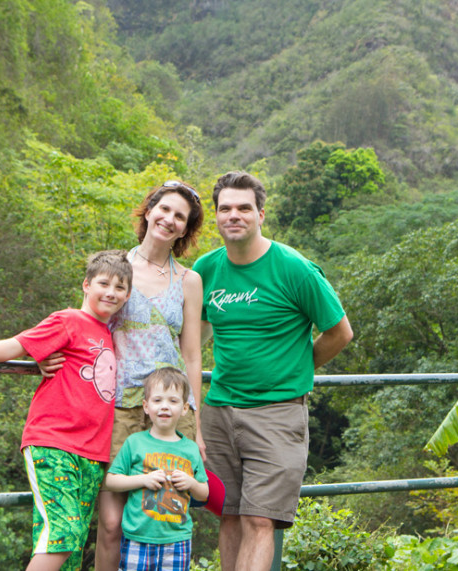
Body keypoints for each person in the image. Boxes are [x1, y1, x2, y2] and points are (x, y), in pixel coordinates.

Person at [0, 249, 133, 571]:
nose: (111, 292)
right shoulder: (68, 320)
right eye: (104, 283)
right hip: (54, 441)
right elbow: (17, 345)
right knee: (63, 534)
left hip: (92, 452)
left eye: (120, 287)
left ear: (128, 294)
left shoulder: (109, 334)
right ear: (86, 285)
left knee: (70, 550)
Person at [40, 180, 205, 571]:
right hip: (116, 406)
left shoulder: (189, 280)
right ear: (148, 211)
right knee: (111, 525)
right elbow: (86, 321)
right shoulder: (118, 269)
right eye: (163, 209)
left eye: (179, 216)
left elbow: (193, 355)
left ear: (185, 229)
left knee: (162, 515)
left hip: (169, 409)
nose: (169, 219)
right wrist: (47, 355)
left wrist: (196, 425)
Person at [193, 171, 354, 571]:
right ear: (215, 216)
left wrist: (298, 368)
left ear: (261, 214)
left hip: (277, 412)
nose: (235, 215)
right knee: (228, 514)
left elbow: (340, 331)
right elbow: (195, 340)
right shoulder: (206, 269)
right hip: (219, 410)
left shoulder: (293, 268)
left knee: (260, 518)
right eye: (225, 208)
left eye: (244, 208)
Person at [104, 367, 209, 571]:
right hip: (137, 537)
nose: (164, 407)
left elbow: (204, 493)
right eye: (157, 400)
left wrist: (192, 483)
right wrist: (142, 480)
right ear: (146, 405)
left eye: (173, 401)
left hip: (177, 540)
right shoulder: (134, 443)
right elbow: (111, 480)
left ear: (185, 408)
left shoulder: (190, 448)